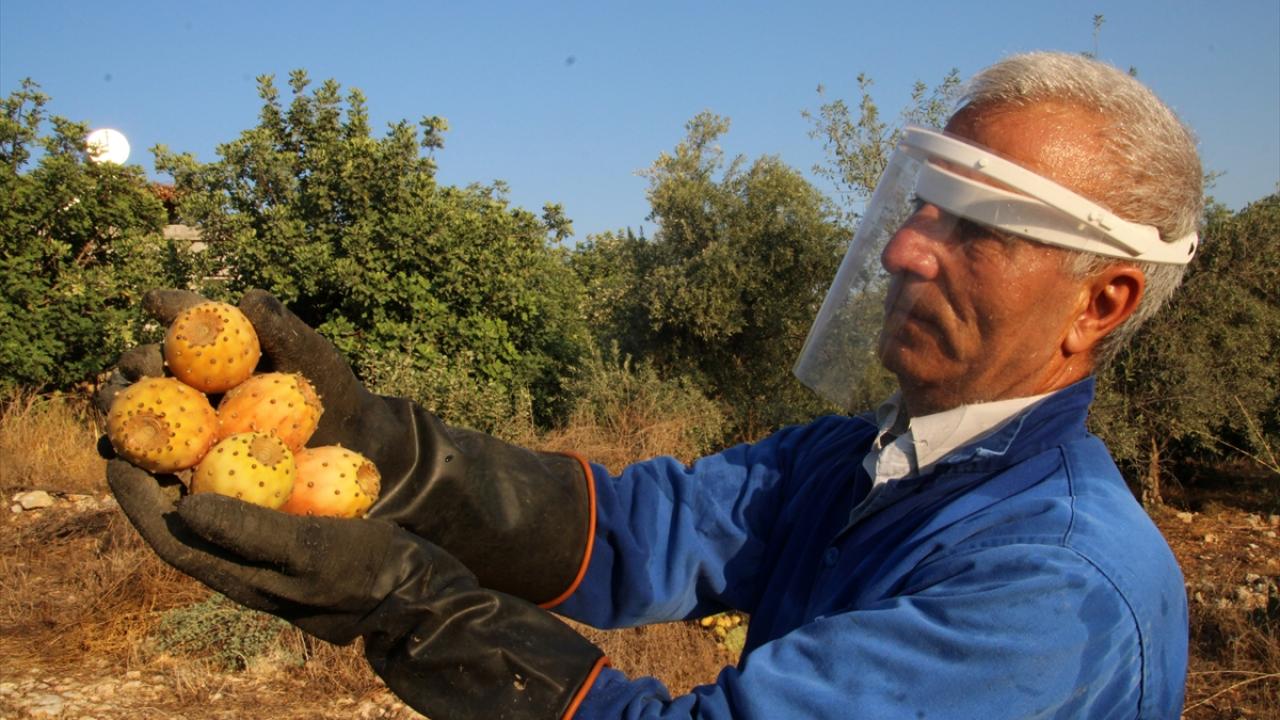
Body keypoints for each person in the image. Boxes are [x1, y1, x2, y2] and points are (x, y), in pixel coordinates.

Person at [101, 51, 1202, 719]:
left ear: (1097, 303)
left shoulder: (1051, 589)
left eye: (973, 227)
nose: (906, 252)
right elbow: (633, 533)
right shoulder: (863, 460)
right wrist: (381, 453)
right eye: (919, 206)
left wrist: (408, 606)